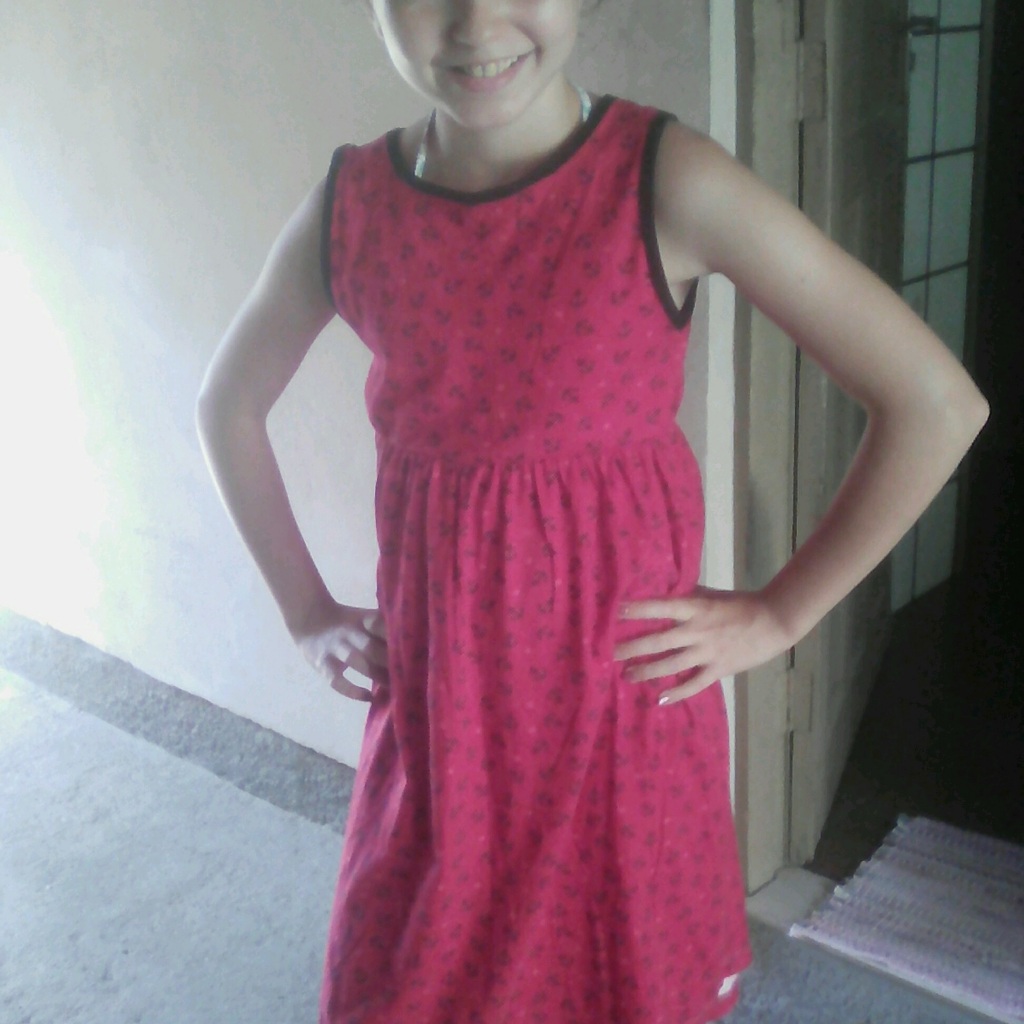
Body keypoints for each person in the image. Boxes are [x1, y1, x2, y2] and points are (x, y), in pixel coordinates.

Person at [195, 1, 989, 1021]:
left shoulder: (666, 180)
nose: (477, 19)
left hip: (619, 732)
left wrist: (781, 613)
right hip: (446, 730)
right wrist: (305, 610)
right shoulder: (352, 205)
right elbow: (228, 406)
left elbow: (935, 403)